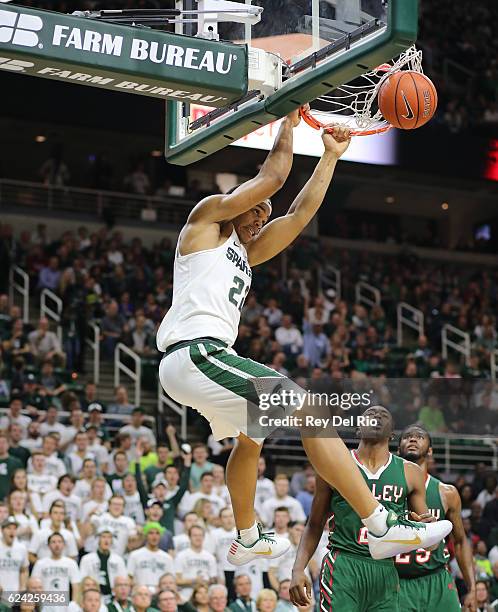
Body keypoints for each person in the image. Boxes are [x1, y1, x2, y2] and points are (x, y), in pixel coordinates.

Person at [156, 111, 451, 565]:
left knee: (251, 438)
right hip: (197, 353)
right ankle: (379, 525)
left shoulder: (245, 253)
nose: (261, 217)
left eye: (263, 214)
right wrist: (286, 120)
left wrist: (330, 157)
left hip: (200, 361)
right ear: (237, 200)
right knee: (312, 412)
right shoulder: (206, 220)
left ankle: (248, 537)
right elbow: (273, 177)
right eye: (255, 209)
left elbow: (297, 214)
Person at [290, 406, 440, 612]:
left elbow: (430, 544)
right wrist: (298, 569)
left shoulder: (410, 472)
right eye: (370, 414)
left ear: (392, 434)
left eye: (383, 415)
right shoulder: (334, 464)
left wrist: (428, 530)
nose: (376, 416)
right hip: (344, 564)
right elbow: (314, 524)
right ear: (359, 429)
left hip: (386, 570)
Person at [397, 425, 477, 612]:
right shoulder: (388, 489)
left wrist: (472, 588)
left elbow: (459, 542)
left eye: (419, 437)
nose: (413, 439)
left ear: (430, 450)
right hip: (397, 580)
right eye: (407, 437)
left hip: (436, 579)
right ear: (398, 449)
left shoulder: (446, 493)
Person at [31, 532, 81, 608]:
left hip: (64, 606)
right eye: (53, 542)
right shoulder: (40, 563)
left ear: (64, 545)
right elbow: (33, 586)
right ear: (48, 545)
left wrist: (74, 605)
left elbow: (76, 586)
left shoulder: (71, 563)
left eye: (59, 542)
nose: (57, 545)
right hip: (44, 606)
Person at [79, 527, 127, 605]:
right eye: (103, 537)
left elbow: (123, 580)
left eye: (109, 537)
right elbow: (82, 580)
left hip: (113, 598)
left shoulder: (119, 560)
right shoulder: (87, 559)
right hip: (93, 598)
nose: (106, 540)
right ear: (98, 539)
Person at [127, 522, 175, 593]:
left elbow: (171, 579)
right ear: (146, 535)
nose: (154, 536)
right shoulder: (135, 555)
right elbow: (129, 577)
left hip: (160, 593)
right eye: (151, 533)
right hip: (140, 592)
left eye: (157, 533)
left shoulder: (167, 558)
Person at [0, 516, 29, 592]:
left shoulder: (21, 548)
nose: (12, 531)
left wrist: (22, 587)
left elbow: (24, 570)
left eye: (14, 528)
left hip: (14, 593)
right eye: (8, 528)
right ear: (2, 530)